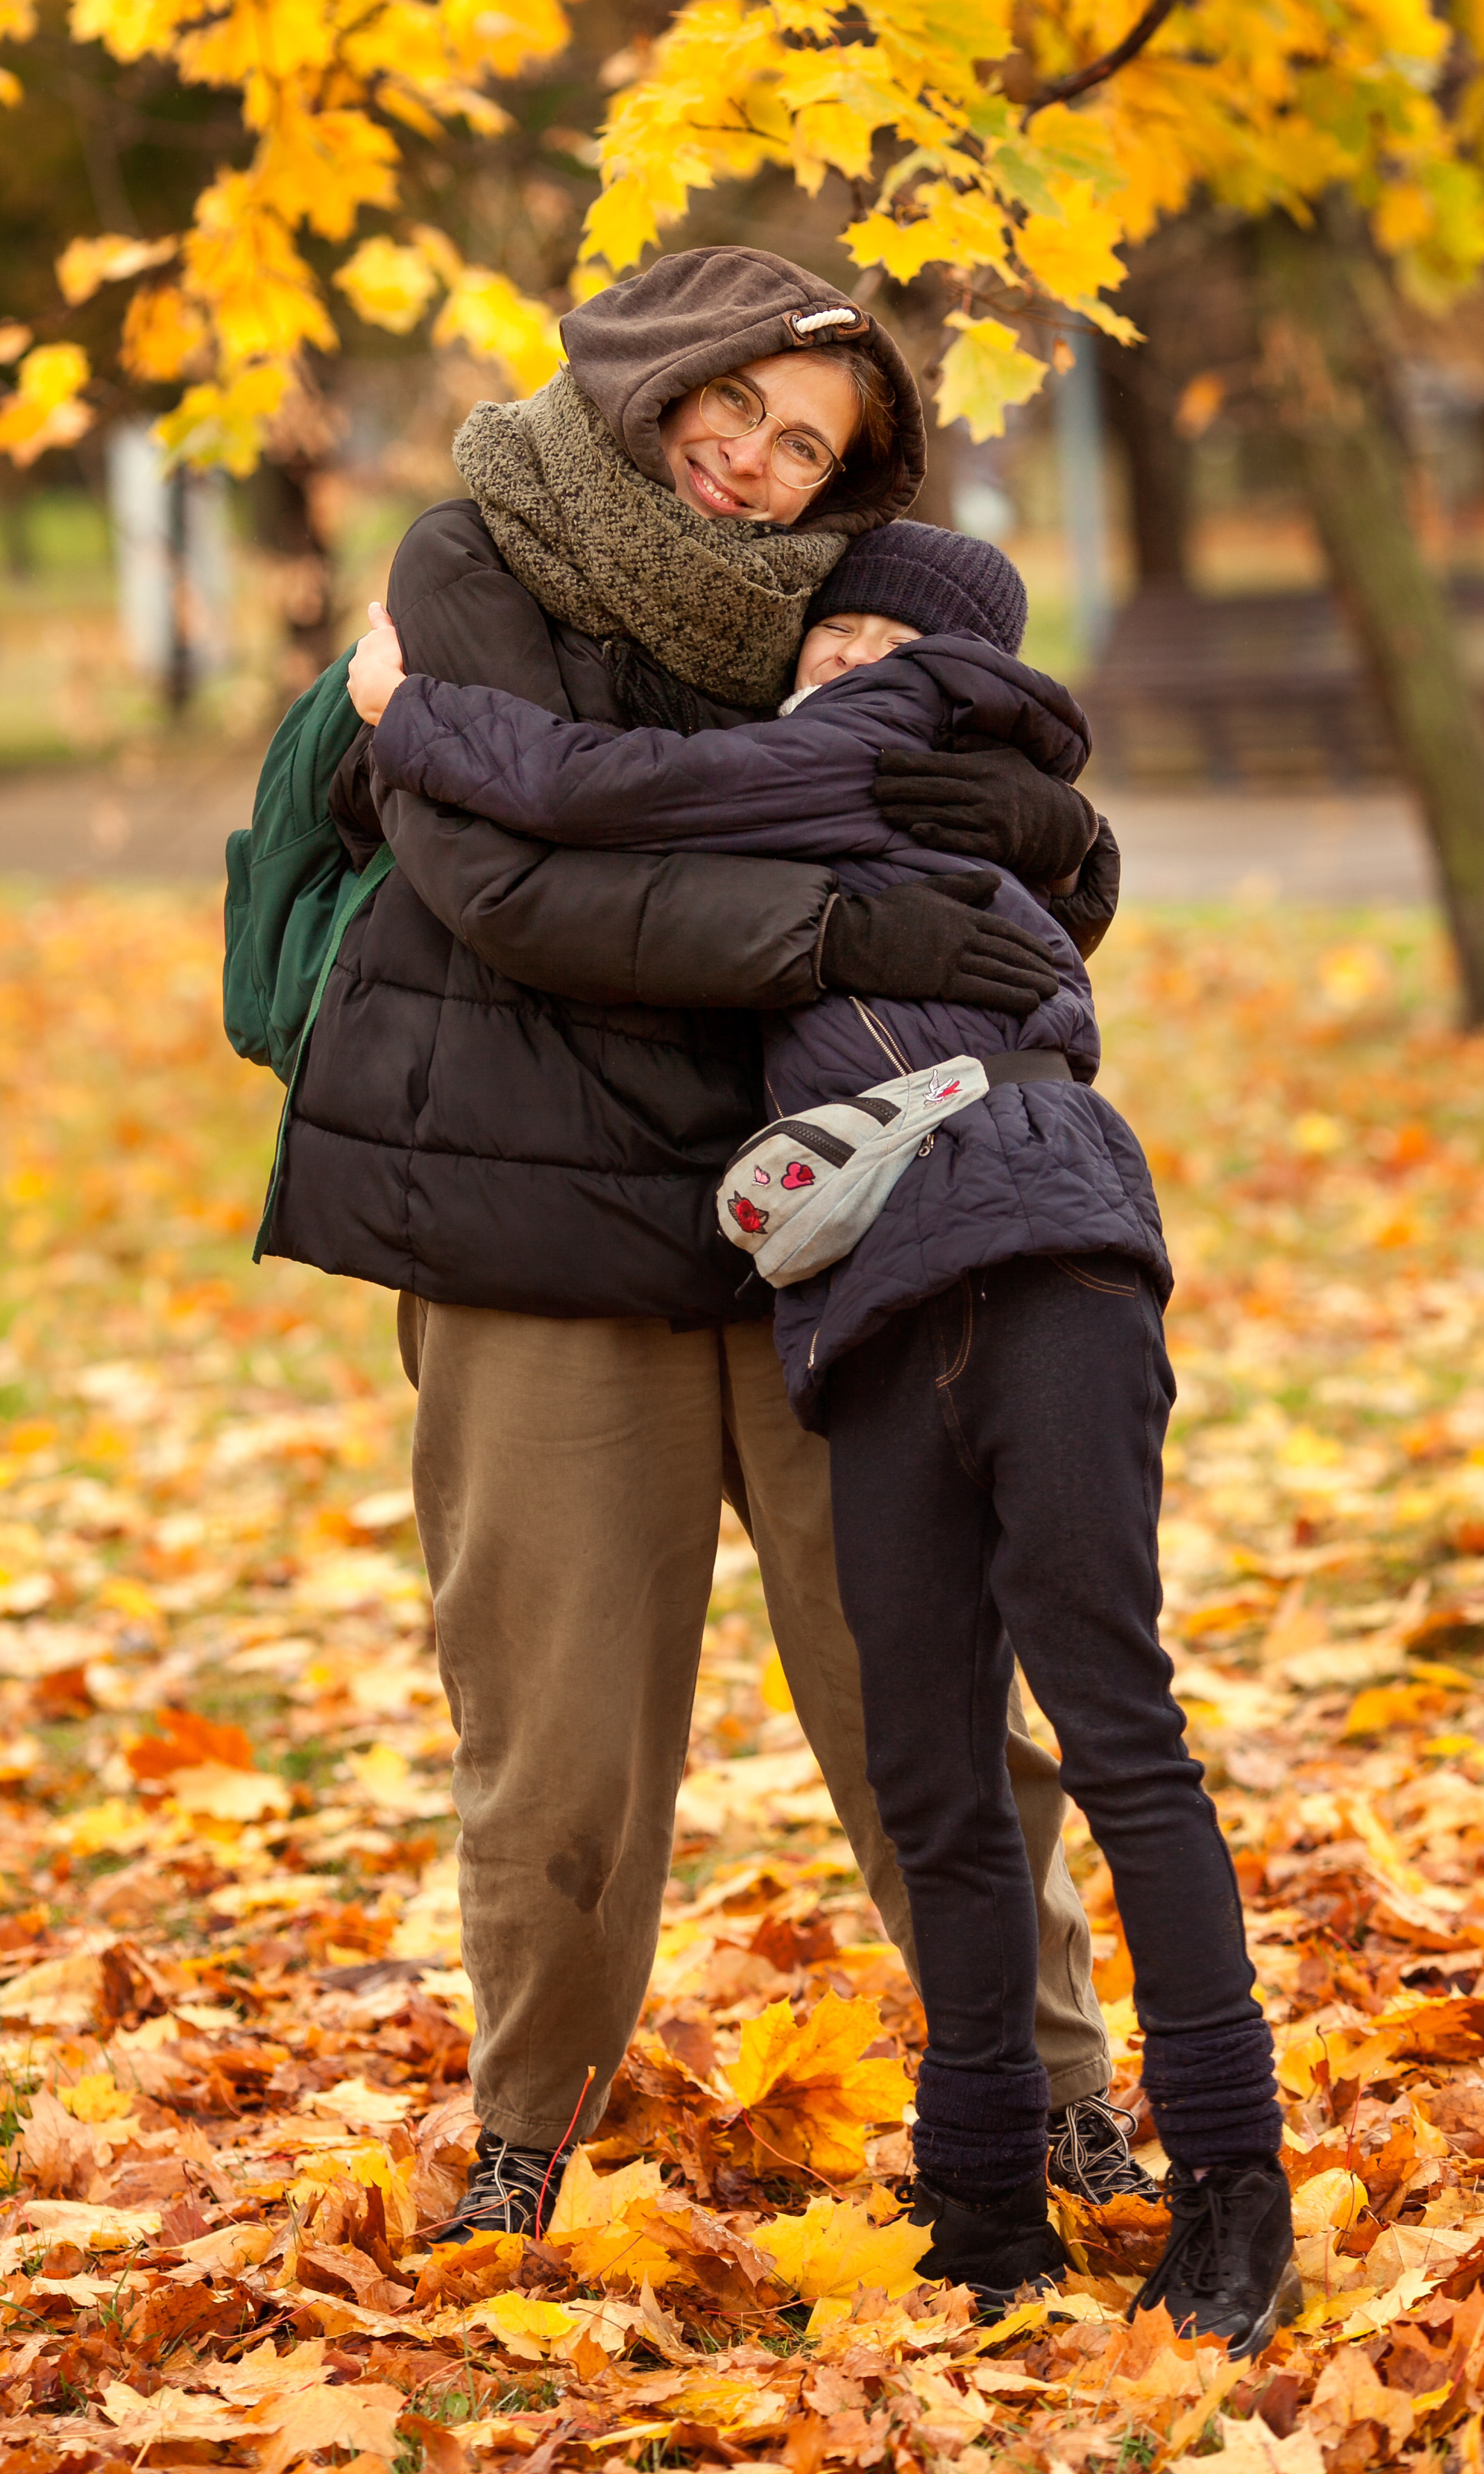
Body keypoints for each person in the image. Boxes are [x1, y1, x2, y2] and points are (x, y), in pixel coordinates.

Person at [258, 249, 1142, 2240]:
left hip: (839, 1222)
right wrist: (833, 925)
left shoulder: (860, 620)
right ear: (658, 378)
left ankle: (1067, 2097)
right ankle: (524, 2137)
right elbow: (499, 881)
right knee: (558, 1732)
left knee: (929, 1681)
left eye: (808, 446)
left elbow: (1028, 837)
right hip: (532, 1228)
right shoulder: (477, 554)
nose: (751, 462)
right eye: (730, 408)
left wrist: (969, 866)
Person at [347, 520, 1298, 2352]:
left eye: (883, 639)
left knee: (1115, 1727)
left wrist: (404, 708)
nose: (840, 659)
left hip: (1035, 1254)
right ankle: (984, 2209)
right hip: (866, 1292)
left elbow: (603, 790)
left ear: (957, 666)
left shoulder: (894, 728)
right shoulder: (890, 768)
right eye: (831, 630)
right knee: (932, 1762)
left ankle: (1233, 2182)